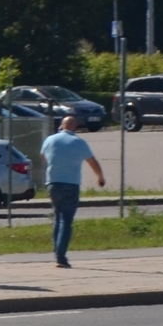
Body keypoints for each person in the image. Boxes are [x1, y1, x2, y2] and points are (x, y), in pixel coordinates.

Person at [38, 113, 105, 269]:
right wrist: (100, 177)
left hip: (53, 183)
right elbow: (92, 162)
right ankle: (61, 257)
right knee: (66, 220)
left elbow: (42, 157)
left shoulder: (50, 139)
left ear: (62, 126)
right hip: (71, 184)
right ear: (75, 127)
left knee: (58, 217)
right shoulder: (78, 142)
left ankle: (57, 251)